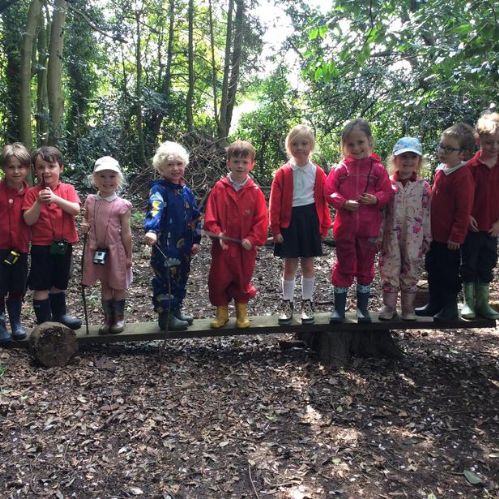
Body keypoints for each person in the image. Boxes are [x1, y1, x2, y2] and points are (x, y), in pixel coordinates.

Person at [325, 118, 393, 323]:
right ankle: (339, 310)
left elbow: (387, 191)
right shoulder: (341, 169)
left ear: (369, 142)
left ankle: (362, 309)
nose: (356, 148)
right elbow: (328, 191)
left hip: (369, 229)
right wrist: (343, 202)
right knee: (344, 265)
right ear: (344, 147)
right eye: (351, 144)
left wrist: (376, 199)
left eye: (360, 142)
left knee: (365, 267)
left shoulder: (378, 169)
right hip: (345, 228)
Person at [269, 124, 331, 325]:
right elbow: (275, 202)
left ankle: (308, 303)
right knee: (289, 265)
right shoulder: (283, 173)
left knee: (308, 264)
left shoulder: (318, 172)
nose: (300, 148)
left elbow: (323, 201)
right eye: (295, 144)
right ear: (289, 147)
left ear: (311, 146)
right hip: (290, 221)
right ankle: (286, 304)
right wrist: (276, 228)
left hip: (310, 219)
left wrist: (323, 226)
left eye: (304, 143)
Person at [415, 123, 476, 321]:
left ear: (463, 154)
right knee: (433, 267)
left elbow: (463, 209)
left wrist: (457, 235)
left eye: (450, 149)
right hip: (435, 234)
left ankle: (449, 307)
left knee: (449, 272)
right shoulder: (442, 170)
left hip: (450, 238)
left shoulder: (462, 175)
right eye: (442, 146)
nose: (443, 151)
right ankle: (435, 303)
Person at [204, 140, 268, 329]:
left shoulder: (255, 192)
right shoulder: (219, 188)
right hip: (222, 247)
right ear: (228, 163)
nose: (240, 166)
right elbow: (210, 217)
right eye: (236, 161)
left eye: (244, 162)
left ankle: (242, 311)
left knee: (242, 277)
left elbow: (262, 220)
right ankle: (222, 312)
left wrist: (252, 238)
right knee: (218, 278)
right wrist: (218, 234)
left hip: (244, 248)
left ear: (252, 164)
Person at [144, 141, 201, 331]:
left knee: (181, 277)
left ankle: (176, 310)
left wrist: (196, 240)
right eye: (170, 165)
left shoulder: (186, 191)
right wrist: (151, 229)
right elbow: (155, 208)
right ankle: (165, 315)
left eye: (179, 164)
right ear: (161, 168)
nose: (175, 168)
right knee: (165, 278)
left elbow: (195, 216)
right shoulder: (159, 190)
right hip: (165, 246)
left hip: (183, 246)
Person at [23, 146, 82, 329]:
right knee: (41, 285)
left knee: (59, 282)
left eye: (51, 166)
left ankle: (59, 316)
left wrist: (56, 199)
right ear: (35, 170)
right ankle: (44, 324)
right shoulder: (32, 193)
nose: (46, 171)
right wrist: (39, 202)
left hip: (63, 245)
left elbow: (76, 210)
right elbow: (28, 220)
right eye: (41, 167)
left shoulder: (68, 189)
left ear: (61, 168)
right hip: (41, 246)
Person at [378, 137, 432, 321]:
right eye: (403, 157)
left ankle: (408, 307)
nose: (408, 161)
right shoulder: (388, 185)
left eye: (412, 157)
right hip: (390, 235)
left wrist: (427, 237)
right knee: (389, 267)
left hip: (414, 236)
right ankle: (389, 306)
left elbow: (427, 213)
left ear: (419, 160)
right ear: (395, 160)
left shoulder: (423, 187)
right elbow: (381, 212)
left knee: (411, 267)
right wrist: (378, 235)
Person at [81, 157, 133, 334]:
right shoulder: (90, 200)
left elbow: (126, 233)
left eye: (111, 176)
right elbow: (86, 220)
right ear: (94, 178)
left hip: (115, 251)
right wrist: (85, 226)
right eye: (102, 176)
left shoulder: (123, 205)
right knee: (105, 284)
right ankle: (108, 319)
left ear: (118, 179)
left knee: (118, 284)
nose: (107, 181)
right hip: (97, 250)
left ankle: (119, 319)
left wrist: (129, 255)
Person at [460, 112, 499, 320]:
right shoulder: (470, 168)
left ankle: (483, 302)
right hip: (472, 227)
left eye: (498, 142)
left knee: (487, 262)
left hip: (492, 228)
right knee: (469, 262)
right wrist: (466, 215)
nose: (494, 147)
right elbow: (462, 196)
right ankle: (468, 302)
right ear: (479, 141)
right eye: (489, 142)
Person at [0, 143, 31, 343]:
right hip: (0, 249)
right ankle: (1, 326)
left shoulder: (31, 193)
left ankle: (16, 322)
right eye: (11, 167)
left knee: (17, 287)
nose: (16, 171)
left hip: (20, 249)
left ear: (27, 168)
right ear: (3, 168)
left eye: (20, 167)